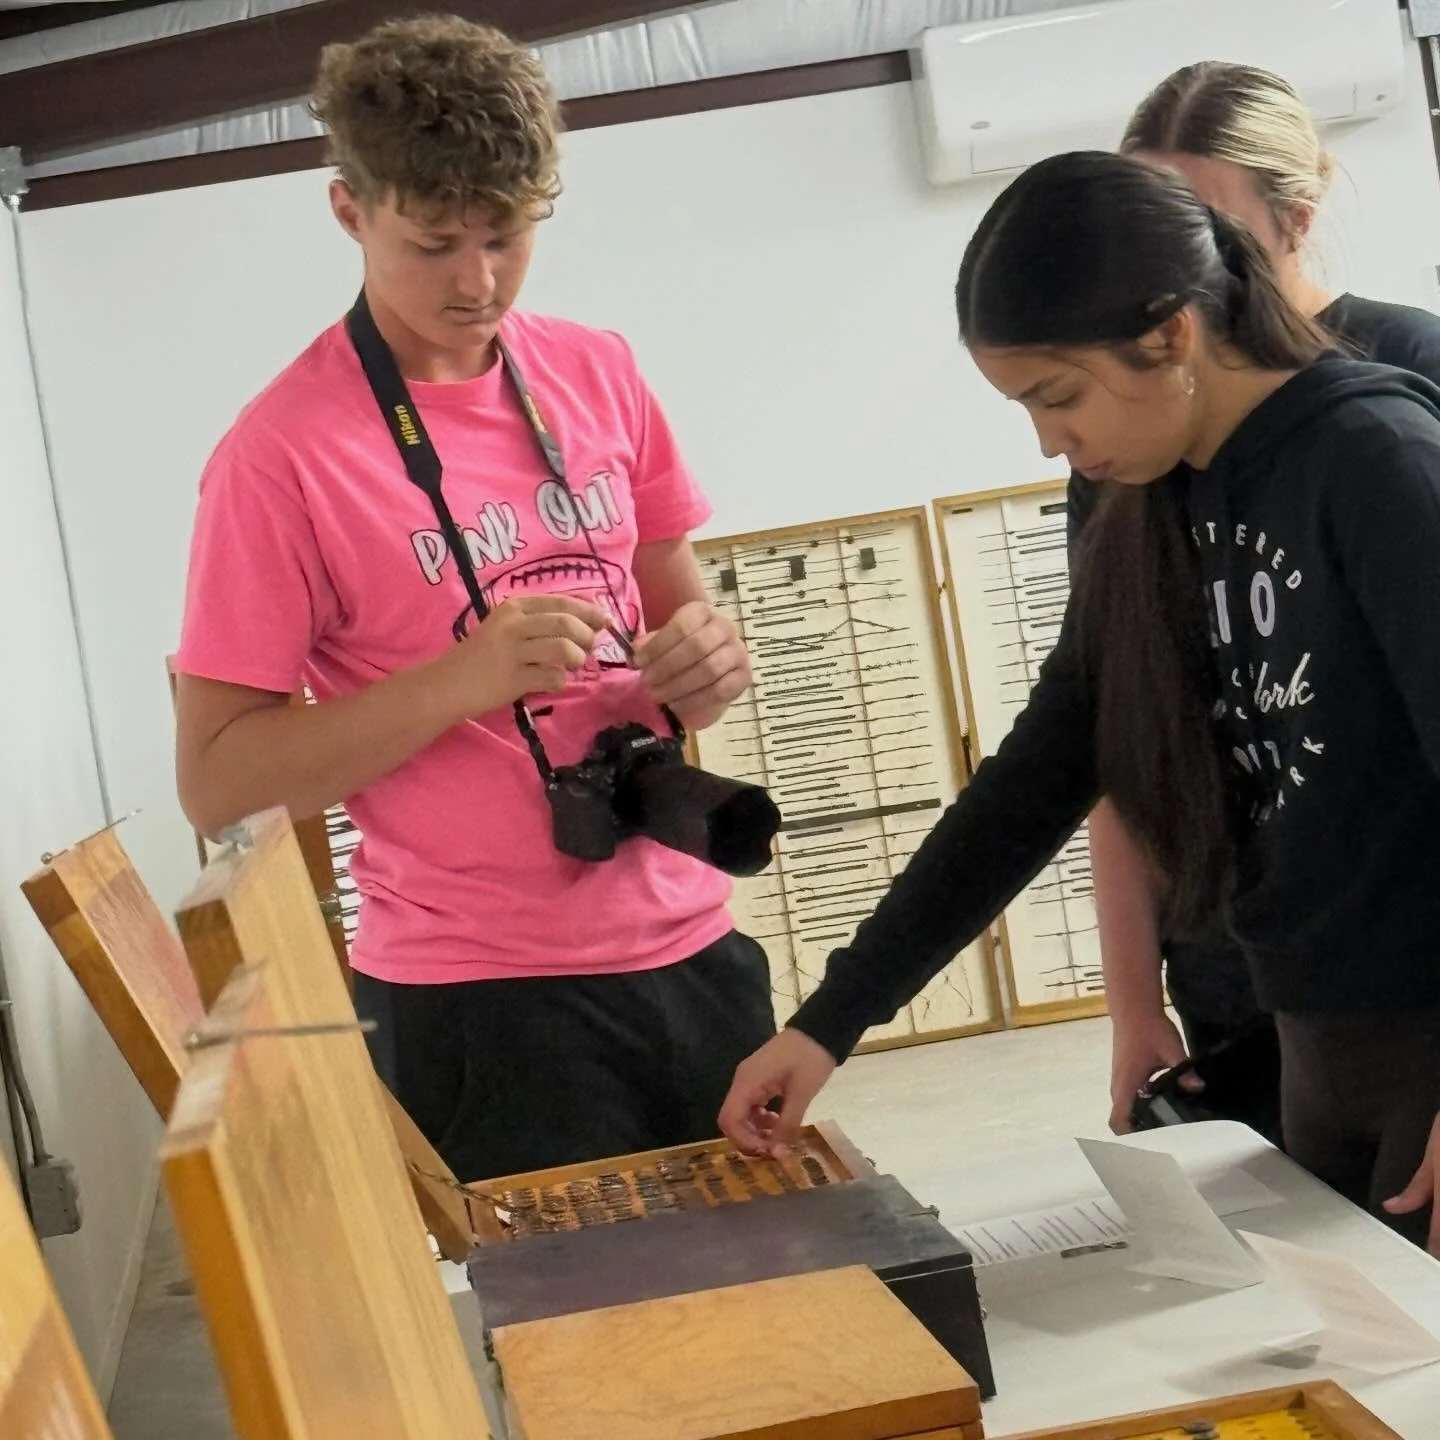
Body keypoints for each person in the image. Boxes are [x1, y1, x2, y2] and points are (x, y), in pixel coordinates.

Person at [719, 149, 1440, 1255]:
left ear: (1171, 333)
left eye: (1059, 396)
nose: (1051, 438)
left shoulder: (1376, 457)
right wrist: (830, 1023)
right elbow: (1036, 778)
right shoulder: (1148, 501)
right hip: (1314, 1035)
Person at [173, 16, 775, 1183]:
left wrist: (706, 657)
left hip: (693, 935)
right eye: (434, 241)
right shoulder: (278, 458)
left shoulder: (598, 369)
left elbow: (679, 618)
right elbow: (218, 781)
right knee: (583, 1308)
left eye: (507, 235)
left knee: (788, 1284)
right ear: (348, 209)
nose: (478, 281)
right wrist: (462, 680)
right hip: (481, 1000)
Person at [1076, 62, 1440, 1145]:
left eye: (1201, 226)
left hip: (1405, 966)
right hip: (1240, 956)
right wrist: (1133, 999)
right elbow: (1109, 726)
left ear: (1295, 219)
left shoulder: (1398, 389)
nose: (1166, 271)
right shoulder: (1127, 432)